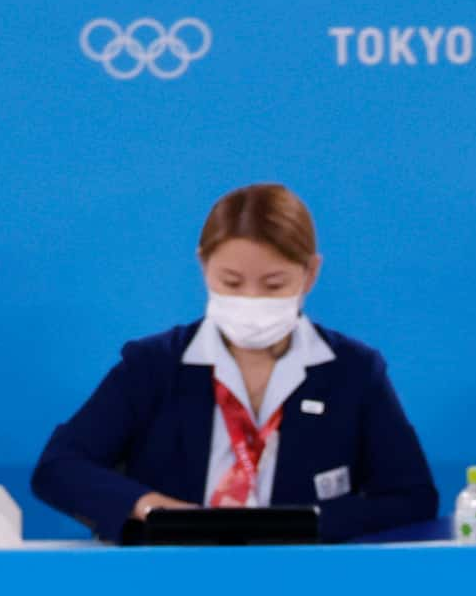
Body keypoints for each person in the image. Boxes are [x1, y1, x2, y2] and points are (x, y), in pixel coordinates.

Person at [31, 183, 437, 542]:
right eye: (231, 282)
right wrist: (151, 508)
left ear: (310, 273)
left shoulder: (353, 371)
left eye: (274, 284)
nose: (252, 299)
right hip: (167, 577)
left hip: (305, 583)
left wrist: (303, 525)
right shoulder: (153, 365)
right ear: (203, 266)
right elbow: (60, 467)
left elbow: (412, 497)